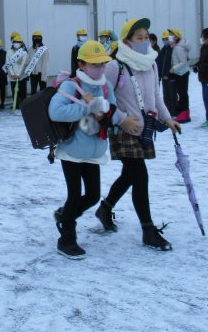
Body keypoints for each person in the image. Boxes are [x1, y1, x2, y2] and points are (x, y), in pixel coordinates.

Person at [104, 18, 182, 251]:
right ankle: (148, 230)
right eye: (139, 37)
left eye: (146, 37)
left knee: (130, 175)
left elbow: (156, 97)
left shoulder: (151, 63)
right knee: (140, 175)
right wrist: (122, 119)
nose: (144, 41)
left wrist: (167, 119)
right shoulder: (114, 66)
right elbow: (102, 99)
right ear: (127, 40)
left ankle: (105, 209)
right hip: (124, 129)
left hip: (144, 128)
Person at [49, 40, 118, 259]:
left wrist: (106, 113)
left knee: (93, 195)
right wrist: (86, 107)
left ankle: (65, 217)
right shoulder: (71, 85)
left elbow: (114, 111)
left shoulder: (105, 86)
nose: (100, 68)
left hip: (93, 151)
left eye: (102, 64)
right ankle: (66, 240)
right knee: (74, 196)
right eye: (94, 64)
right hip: (72, 150)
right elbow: (55, 111)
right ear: (82, 64)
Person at [168, 28, 191, 123]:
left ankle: (184, 115)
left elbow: (183, 62)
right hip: (180, 73)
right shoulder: (176, 46)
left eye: (171, 35)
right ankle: (184, 113)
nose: (169, 37)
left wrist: (174, 68)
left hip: (182, 73)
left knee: (182, 94)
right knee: (182, 93)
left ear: (176, 37)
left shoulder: (178, 48)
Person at [4, 32, 28, 110]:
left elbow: (23, 64)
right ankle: (16, 104)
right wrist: (12, 74)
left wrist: (18, 74)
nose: (16, 43)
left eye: (18, 42)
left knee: (22, 91)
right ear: (12, 43)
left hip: (21, 76)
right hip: (12, 76)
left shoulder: (23, 52)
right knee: (14, 91)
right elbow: (8, 63)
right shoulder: (9, 52)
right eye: (15, 42)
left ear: (21, 43)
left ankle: (23, 105)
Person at [157, 30, 176, 117]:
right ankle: (167, 113)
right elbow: (160, 63)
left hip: (171, 77)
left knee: (172, 95)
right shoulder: (163, 50)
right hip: (163, 77)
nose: (165, 41)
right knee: (166, 96)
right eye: (163, 39)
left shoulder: (173, 49)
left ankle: (174, 113)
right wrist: (160, 74)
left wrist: (167, 74)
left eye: (166, 39)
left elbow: (171, 64)